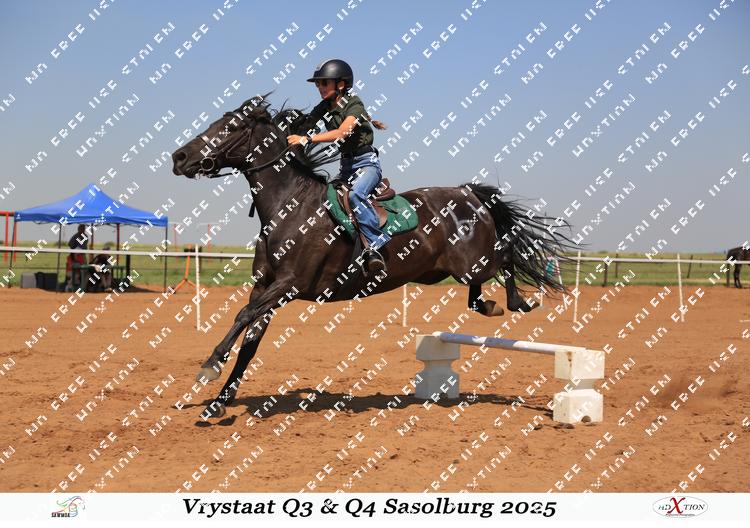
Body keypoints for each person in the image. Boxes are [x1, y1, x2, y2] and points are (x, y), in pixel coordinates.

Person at [287, 59, 390, 275]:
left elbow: (342, 133)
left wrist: (307, 139)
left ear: (340, 85)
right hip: (346, 166)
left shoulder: (355, 104)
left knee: (356, 196)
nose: (320, 87)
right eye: (318, 84)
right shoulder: (324, 106)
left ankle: (374, 247)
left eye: (324, 83)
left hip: (367, 164)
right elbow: (306, 123)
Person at [66, 224, 89, 291]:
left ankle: (83, 289)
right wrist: (75, 251)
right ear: (78, 229)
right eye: (81, 228)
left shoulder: (85, 236)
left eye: (83, 228)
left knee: (86, 273)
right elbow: (70, 244)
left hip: (82, 255)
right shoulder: (75, 236)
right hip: (74, 269)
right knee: (77, 274)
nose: (83, 230)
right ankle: (70, 287)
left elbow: (84, 247)